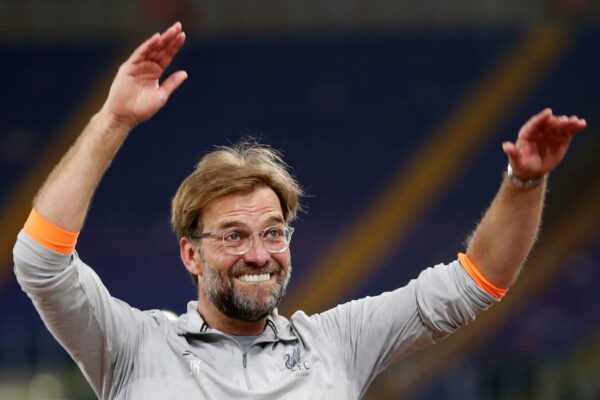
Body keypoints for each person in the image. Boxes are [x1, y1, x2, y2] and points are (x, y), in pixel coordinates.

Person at [13, 22, 586, 399]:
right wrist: (113, 121)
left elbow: (477, 284)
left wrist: (524, 181)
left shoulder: (337, 343)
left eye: (272, 232)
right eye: (233, 236)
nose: (258, 254)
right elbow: (40, 260)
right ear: (190, 253)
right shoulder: (132, 347)